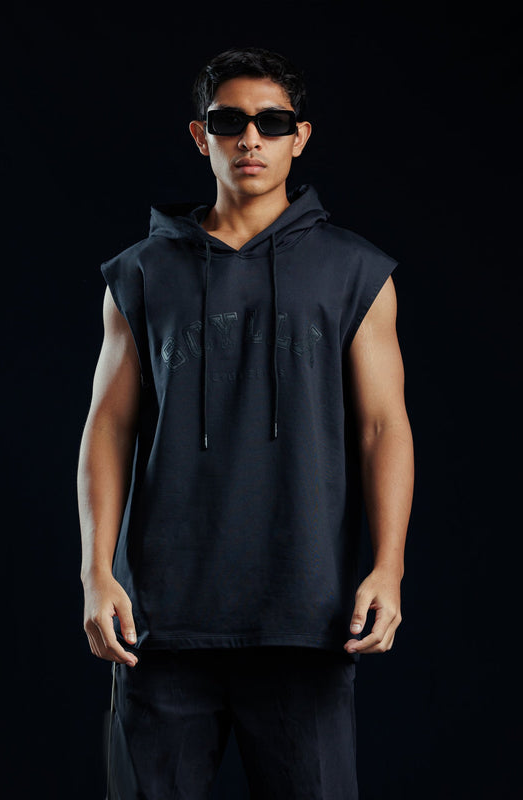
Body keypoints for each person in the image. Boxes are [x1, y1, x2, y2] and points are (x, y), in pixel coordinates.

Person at [77, 46, 414, 800]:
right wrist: (95, 572)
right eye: (229, 121)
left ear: (300, 136)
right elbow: (109, 427)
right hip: (157, 623)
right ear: (202, 136)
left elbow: (383, 427)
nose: (250, 139)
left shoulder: (356, 271)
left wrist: (388, 568)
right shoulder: (139, 273)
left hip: (307, 616)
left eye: (272, 122)